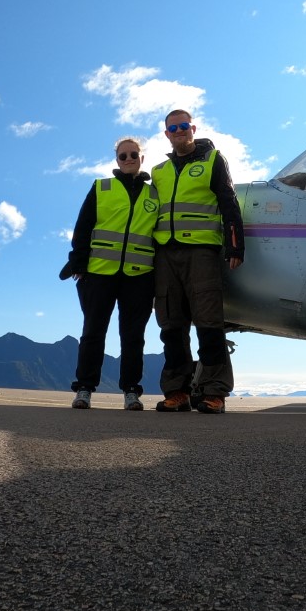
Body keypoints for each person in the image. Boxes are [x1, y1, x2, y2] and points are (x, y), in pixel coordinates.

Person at [151, 109, 244, 414]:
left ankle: (214, 392)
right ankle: (177, 392)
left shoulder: (213, 160)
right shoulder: (159, 171)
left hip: (202, 252)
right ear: (167, 134)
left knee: (209, 322)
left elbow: (228, 202)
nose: (178, 131)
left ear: (193, 128)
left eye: (183, 126)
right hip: (165, 255)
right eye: (172, 127)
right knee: (171, 326)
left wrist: (234, 247)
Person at [59, 136, 159, 410]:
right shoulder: (101, 188)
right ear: (117, 160)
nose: (128, 159)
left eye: (133, 154)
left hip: (139, 276)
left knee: (133, 336)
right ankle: (84, 389)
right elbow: (83, 227)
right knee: (93, 332)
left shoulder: (155, 194)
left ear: (142, 158)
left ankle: (131, 391)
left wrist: (158, 277)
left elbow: (159, 237)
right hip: (99, 273)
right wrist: (79, 264)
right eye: (123, 156)